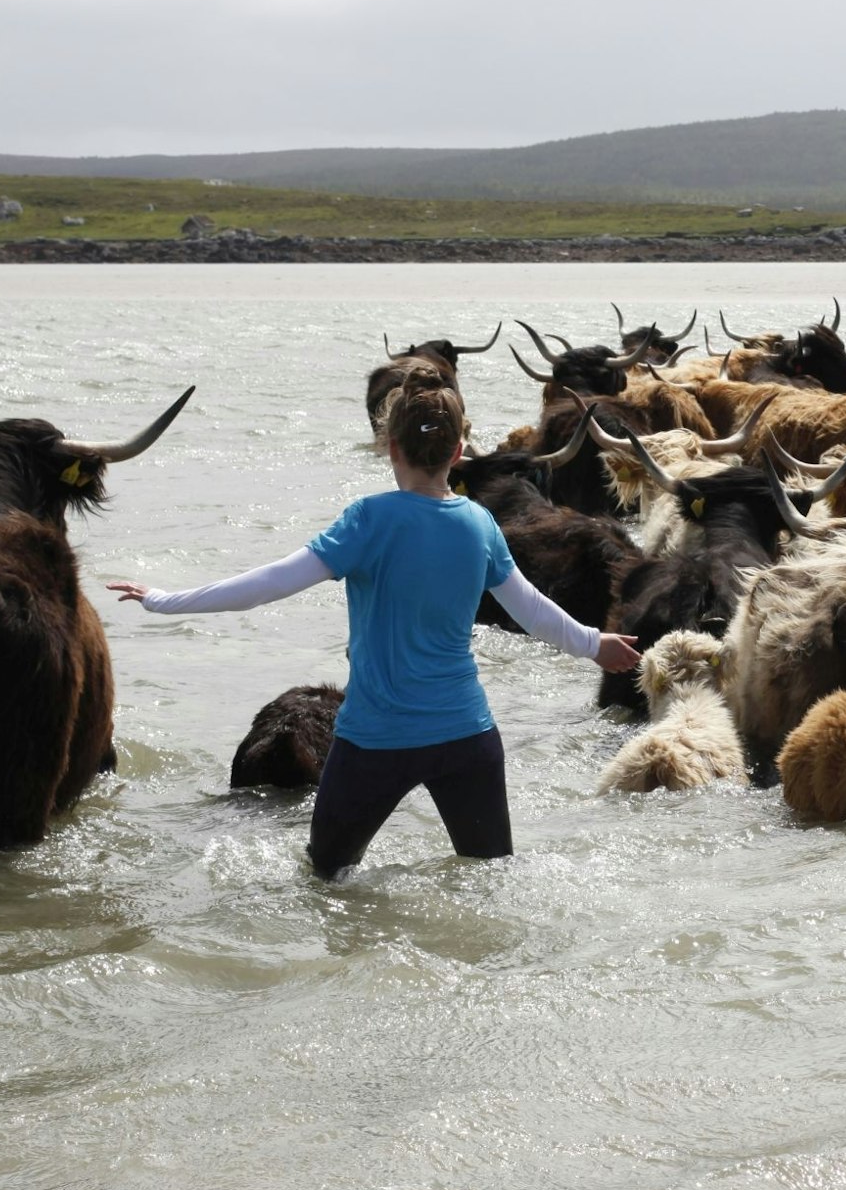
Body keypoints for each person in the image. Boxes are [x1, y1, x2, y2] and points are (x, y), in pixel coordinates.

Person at [108, 364, 640, 876]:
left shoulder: (369, 519)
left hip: (375, 742)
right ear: (458, 453)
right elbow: (533, 613)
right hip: (467, 738)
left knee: (324, 879)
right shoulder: (479, 524)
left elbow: (267, 584)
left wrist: (164, 599)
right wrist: (596, 644)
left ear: (391, 447)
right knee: (490, 878)